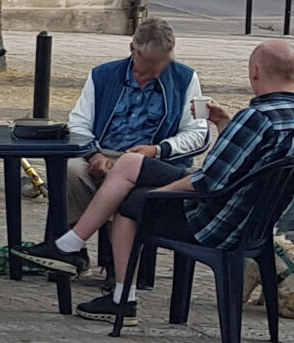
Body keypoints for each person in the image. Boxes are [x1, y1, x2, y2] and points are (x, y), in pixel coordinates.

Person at [13, 41, 294, 325]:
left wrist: (157, 194)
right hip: (251, 221)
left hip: (213, 219)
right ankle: (72, 244)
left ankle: (120, 295)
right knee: (132, 165)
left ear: (254, 71)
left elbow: (206, 182)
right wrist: (224, 123)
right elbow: (241, 167)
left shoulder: (256, 117)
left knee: (131, 202)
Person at [61, 18, 211, 270]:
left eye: (164, 61)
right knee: (70, 170)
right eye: (151, 62)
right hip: (103, 152)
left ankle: (114, 264)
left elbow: (198, 133)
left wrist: (158, 149)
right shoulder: (103, 75)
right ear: (133, 50)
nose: (158, 70)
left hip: (154, 161)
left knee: (126, 179)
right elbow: (78, 123)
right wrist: (94, 155)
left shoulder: (185, 78)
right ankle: (75, 253)